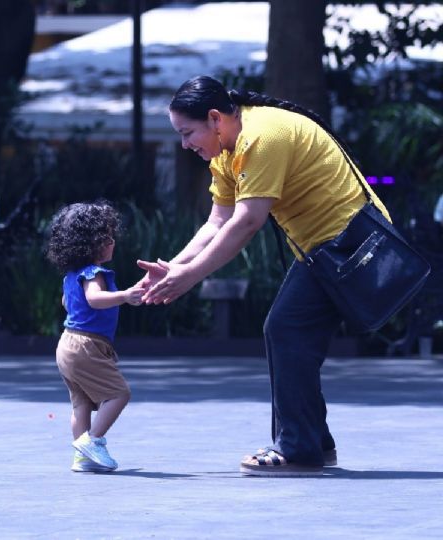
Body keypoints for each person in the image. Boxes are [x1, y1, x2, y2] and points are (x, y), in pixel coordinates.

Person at [139, 75, 391, 477]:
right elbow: (216, 221)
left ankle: (300, 448)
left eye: (187, 133)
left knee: (286, 330)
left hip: (350, 244)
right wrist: (174, 267)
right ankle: (312, 443)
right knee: (290, 334)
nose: (185, 144)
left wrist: (189, 278)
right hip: (323, 249)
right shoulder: (225, 151)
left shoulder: (262, 136)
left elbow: (247, 222)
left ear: (215, 118)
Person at [45, 201, 144, 473]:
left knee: (81, 404)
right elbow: (95, 299)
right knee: (119, 394)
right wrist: (124, 296)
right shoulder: (93, 273)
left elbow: (68, 302)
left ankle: (82, 456)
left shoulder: (71, 275)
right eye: (107, 237)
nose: (113, 242)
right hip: (87, 345)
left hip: (67, 343)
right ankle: (93, 442)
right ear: (91, 244)